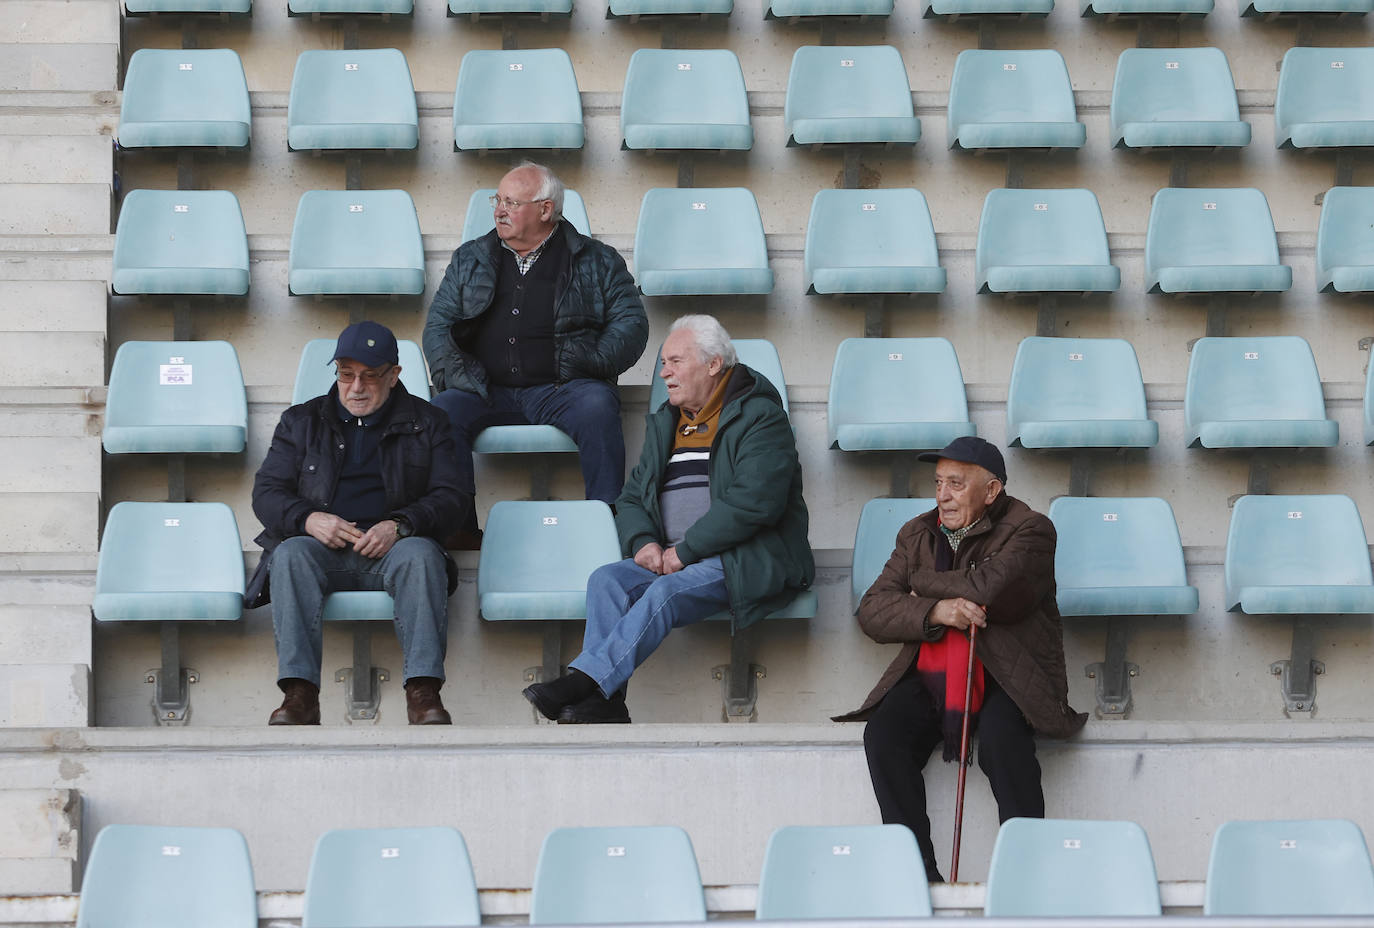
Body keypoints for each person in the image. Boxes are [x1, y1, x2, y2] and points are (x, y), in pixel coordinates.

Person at [522, 315, 814, 723]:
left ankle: (583, 679)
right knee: (606, 580)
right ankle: (606, 704)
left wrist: (686, 551)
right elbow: (631, 496)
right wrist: (643, 541)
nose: (664, 373)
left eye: (675, 361)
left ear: (713, 364)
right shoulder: (668, 423)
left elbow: (755, 502)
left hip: (740, 557)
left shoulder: (760, 417)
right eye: (663, 363)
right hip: (677, 557)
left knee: (665, 592)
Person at [835, 436, 1086, 881]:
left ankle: (1027, 876)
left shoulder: (1032, 529)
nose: (943, 496)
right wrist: (936, 612)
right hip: (935, 671)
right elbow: (873, 611)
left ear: (992, 491)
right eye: (937, 483)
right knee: (884, 734)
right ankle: (919, 877)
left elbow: (989, 590)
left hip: (1008, 672)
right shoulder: (917, 532)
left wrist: (918, 585)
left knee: (1002, 741)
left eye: (955, 483)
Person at [247, 321, 467, 726]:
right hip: (322, 550)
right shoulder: (302, 421)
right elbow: (267, 493)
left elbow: (452, 497)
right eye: (346, 375)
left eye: (369, 376)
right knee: (291, 553)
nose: (356, 387)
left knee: (421, 554)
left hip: (395, 550)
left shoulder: (429, 421)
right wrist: (308, 519)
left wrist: (399, 525)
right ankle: (300, 694)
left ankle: (423, 692)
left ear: (394, 375)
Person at [422, 161, 648, 548]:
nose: (499, 210)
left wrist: (593, 364)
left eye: (511, 202)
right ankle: (458, 524)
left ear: (545, 209)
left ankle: (607, 521)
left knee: (598, 406)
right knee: (442, 412)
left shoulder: (598, 260)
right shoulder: (470, 258)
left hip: (563, 388)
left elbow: (631, 324)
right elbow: (438, 328)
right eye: (498, 200)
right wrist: (458, 378)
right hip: (486, 389)